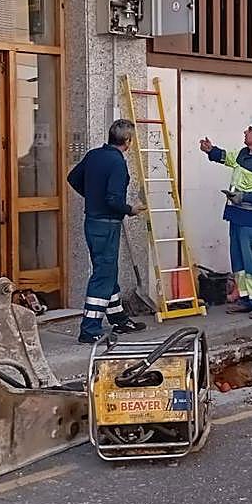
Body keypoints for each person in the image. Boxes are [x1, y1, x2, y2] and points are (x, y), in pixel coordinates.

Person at [68, 119, 148, 344]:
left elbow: (72, 178)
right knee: (103, 274)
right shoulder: (117, 163)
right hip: (107, 224)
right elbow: (113, 199)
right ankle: (89, 328)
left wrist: (92, 197)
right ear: (128, 141)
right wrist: (129, 209)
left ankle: (118, 319)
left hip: (92, 222)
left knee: (108, 270)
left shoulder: (94, 155)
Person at [200, 117, 252, 320]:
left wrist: (243, 197)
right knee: (240, 262)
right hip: (238, 216)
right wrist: (212, 151)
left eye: (250, 130)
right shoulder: (245, 154)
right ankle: (246, 298)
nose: (246, 132)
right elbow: (229, 157)